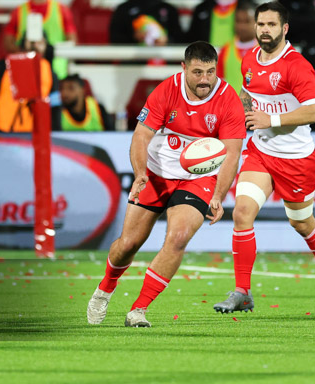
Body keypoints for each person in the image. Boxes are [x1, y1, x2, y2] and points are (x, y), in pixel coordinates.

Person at [86, 42, 245, 328]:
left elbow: (232, 152)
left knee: (179, 236)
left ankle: (139, 309)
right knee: (129, 244)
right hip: (157, 172)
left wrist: (219, 195)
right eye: (197, 72)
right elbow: (141, 137)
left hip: (198, 179)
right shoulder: (165, 90)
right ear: (183, 68)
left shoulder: (227, 98)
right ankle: (104, 289)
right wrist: (139, 174)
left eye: (210, 72)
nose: (205, 80)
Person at [212, 1, 315, 315]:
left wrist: (273, 120)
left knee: (302, 222)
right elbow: (248, 95)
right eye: (260, 24)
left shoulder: (296, 65)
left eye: (271, 25)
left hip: (295, 158)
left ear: (284, 29)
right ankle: (242, 291)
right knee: (242, 212)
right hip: (261, 151)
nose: (264, 30)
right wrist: (240, 112)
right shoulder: (248, 59)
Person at [0, 0, 76, 78]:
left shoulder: (62, 10)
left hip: (56, 72)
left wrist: (48, 50)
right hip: (26, 70)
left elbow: (71, 41)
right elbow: (8, 43)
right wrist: (27, 50)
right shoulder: (19, 11)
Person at [0, 33, 57, 133]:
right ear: (23, 43)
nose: (35, 45)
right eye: (31, 41)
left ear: (46, 46)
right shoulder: (3, 66)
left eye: (40, 42)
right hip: (2, 130)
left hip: (35, 133)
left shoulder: (50, 73)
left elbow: (55, 106)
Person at [215, 2, 257, 93]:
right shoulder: (225, 50)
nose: (242, 26)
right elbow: (218, 82)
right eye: (238, 21)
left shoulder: (265, 50)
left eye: (247, 21)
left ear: (256, 23)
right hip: (230, 106)